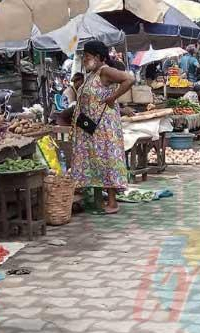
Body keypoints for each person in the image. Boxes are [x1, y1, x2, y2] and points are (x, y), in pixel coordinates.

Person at [71, 40, 133, 215]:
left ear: (98, 57)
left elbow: (129, 79)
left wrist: (113, 97)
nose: (84, 60)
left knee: (107, 159)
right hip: (90, 127)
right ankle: (98, 200)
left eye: (87, 57)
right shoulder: (92, 74)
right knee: (95, 161)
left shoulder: (105, 71)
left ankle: (112, 202)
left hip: (103, 126)